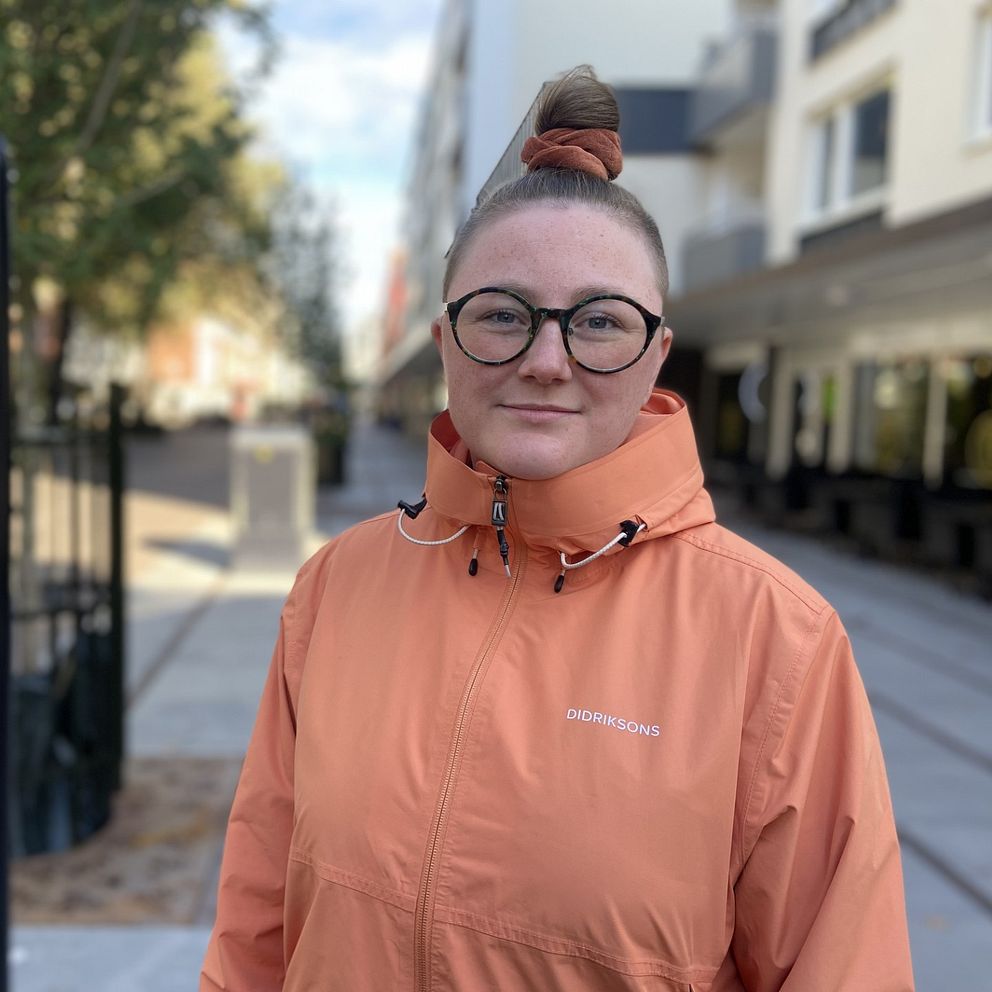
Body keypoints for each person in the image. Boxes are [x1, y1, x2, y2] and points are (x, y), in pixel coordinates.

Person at [200, 66, 915, 991]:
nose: (546, 360)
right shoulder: (338, 584)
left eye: (599, 321)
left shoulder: (778, 639)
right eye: (503, 314)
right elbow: (256, 921)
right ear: (446, 340)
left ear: (655, 354)